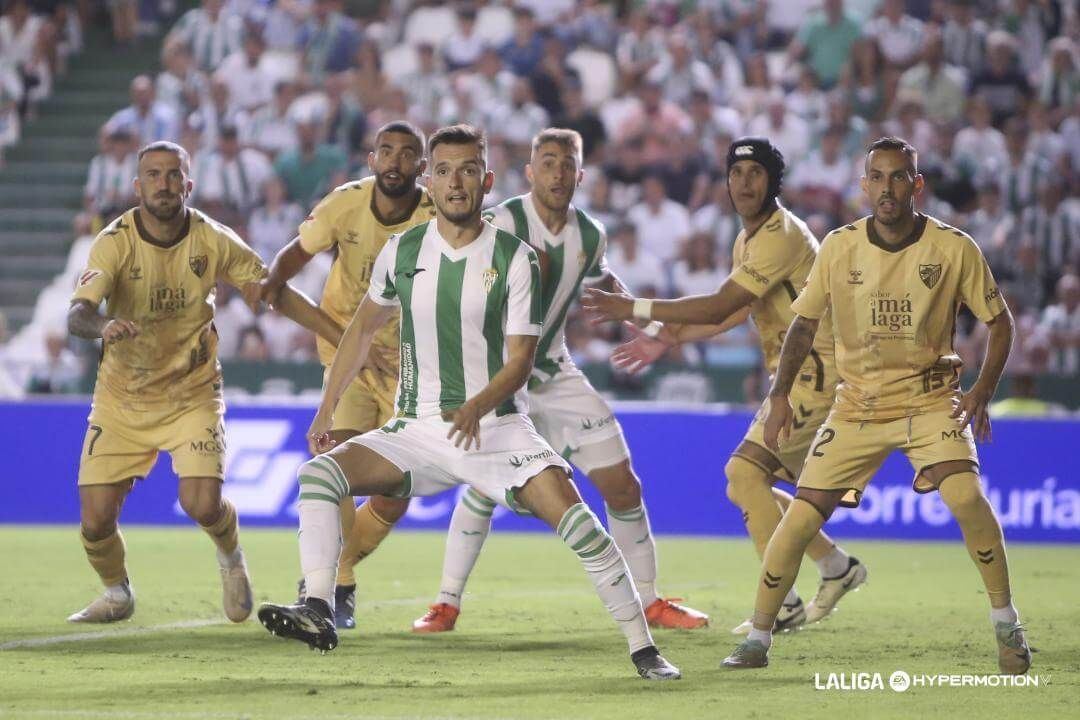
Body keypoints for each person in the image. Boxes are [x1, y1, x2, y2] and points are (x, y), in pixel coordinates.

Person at [256, 125, 681, 681]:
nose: (456, 182)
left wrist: (477, 405)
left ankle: (644, 649)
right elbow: (359, 334)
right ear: (428, 182)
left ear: (487, 180)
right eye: (444, 171)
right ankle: (318, 605)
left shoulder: (516, 258)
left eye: (467, 171)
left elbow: (521, 361)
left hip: (497, 428)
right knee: (318, 475)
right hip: (416, 430)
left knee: (580, 524)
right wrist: (324, 410)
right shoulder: (401, 251)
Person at [355, 128, 710, 634]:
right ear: (530, 172)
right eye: (548, 163)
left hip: (554, 373)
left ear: (581, 174)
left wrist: (653, 331)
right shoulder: (502, 222)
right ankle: (446, 603)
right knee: (484, 489)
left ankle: (650, 601)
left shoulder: (590, 234)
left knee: (623, 485)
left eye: (567, 164)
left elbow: (604, 284)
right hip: (495, 375)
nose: (557, 174)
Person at [719, 137, 1029, 675]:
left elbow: (1000, 323)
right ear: (865, 186)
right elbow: (804, 325)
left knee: (966, 497)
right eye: (878, 178)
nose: (888, 188)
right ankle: (759, 636)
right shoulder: (839, 247)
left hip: (930, 400)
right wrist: (779, 396)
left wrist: (982, 390)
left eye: (899, 177)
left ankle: (1007, 623)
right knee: (799, 520)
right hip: (856, 405)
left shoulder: (953, 247)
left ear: (917, 184)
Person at [582, 137, 866, 634]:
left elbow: (719, 303)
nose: (744, 183)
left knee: (744, 474)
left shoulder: (781, 235)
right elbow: (732, 314)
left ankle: (782, 602)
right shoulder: (748, 240)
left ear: (773, 181)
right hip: (795, 376)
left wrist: (635, 307)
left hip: (819, 375)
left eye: (755, 173)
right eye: (736, 173)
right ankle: (836, 566)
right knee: (747, 485)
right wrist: (669, 337)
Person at [66, 141, 339, 624]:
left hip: (191, 392)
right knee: (95, 518)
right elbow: (78, 313)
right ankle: (117, 592)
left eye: (173, 175)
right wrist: (103, 325)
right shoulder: (114, 241)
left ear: (188, 184)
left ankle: (231, 556)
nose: (164, 184)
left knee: (202, 503)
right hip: (122, 397)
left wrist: (338, 334)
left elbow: (270, 291)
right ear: (138, 186)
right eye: (154, 175)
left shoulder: (212, 238)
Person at [259, 121, 437, 630]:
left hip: (411, 365)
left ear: (422, 167)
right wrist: (277, 287)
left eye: (407, 153)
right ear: (371, 159)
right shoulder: (344, 204)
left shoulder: (436, 216)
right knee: (334, 460)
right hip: (350, 356)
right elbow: (285, 268)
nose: (396, 162)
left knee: (395, 494)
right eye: (387, 151)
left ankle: (335, 567)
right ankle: (334, 585)